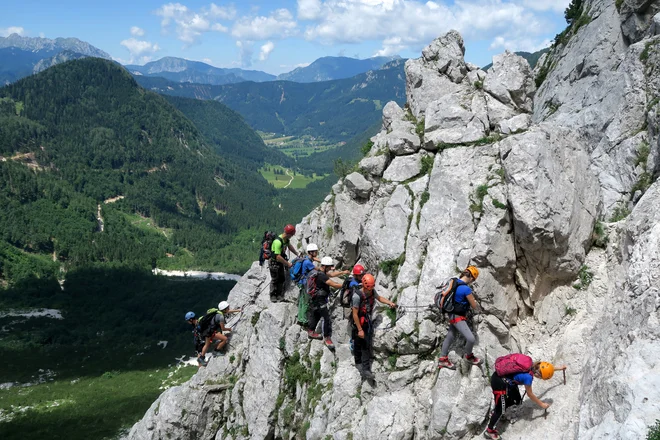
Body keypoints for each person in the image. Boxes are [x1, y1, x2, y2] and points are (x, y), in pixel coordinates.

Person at [484, 361, 567, 439]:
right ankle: (489, 430)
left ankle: (499, 409)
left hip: (505, 380)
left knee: (517, 400)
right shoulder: (528, 378)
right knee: (500, 409)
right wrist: (542, 404)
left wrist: (560, 368)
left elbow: (546, 369)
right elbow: (530, 394)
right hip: (499, 384)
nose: (540, 379)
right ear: (538, 375)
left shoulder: (532, 364)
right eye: (542, 378)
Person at [351, 273, 396, 380]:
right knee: (358, 343)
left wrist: (389, 302)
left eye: (371, 288)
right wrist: (360, 329)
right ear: (364, 286)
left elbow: (379, 298)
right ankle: (358, 363)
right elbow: (354, 314)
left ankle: (366, 369)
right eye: (368, 288)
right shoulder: (357, 296)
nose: (370, 290)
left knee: (365, 345)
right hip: (358, 323)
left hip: (366, 321)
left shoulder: (371, 291)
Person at [437, 265, 482, 369]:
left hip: (451, 314)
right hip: (458, 317)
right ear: (471, 278)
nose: (472, 282)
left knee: (450, 336)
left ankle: (442, 359)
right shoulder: (466, 289)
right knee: (471, 339)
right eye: (473, 280)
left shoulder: (455, 283)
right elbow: (474, 306)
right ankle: (469, 357)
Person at [307, 256, 345, 350]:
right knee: (326, 317)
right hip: (320, 299)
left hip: (315, 298)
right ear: (325, 266)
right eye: (329, 267)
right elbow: (334, 284)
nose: (330, 269)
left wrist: (342, 272)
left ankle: (311, 331)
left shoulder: (321, 272)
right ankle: (327, 338)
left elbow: (331, 275)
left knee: (316, 314)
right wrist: (346, 285)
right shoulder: (322, 275)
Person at [197, 301, 242, 367]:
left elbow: (228, 311)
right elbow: (223, 329)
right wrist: (229, 329)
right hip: (209, 332)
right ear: (224, 309)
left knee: (207, 344)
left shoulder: (217, 312)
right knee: (224, 339)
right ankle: (215, 351)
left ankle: (201, 358)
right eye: (227, 308)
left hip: (207, 330)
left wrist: (238, 310)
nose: (229, 308)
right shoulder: (221, 317)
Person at [270, 224, 300, 302]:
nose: (292, 236)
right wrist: (287, 264)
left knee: (282, 278)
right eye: (292, 234)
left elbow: (289, 246)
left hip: (280, 262)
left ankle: (279, 295)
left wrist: (297, 253)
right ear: (289, 233)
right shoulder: (278, 242)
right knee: (275, 279)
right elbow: (278, 257)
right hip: (274, 262)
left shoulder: (285, 239)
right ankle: (273, 295)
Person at [297, 243, 319, 328]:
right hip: (306, 284)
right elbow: (317, 269)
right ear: (311, 252)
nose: (316, 253)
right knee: (306, 302)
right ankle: (304, 321)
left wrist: (320, 261)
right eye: (315, 251)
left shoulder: (306, 258)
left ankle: (300, 318)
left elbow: (313, 259)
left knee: (302, 302)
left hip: (301, 283)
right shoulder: (308, 262)